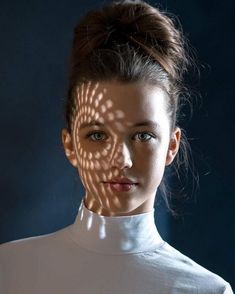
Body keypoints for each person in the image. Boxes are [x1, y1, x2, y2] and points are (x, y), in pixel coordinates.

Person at [0, 0, 233, 293]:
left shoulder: (206, 290)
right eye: (97, 135)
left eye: (143, 136)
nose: (121, 160)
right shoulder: (7, 270)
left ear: (172, 146)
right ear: (70, 145)